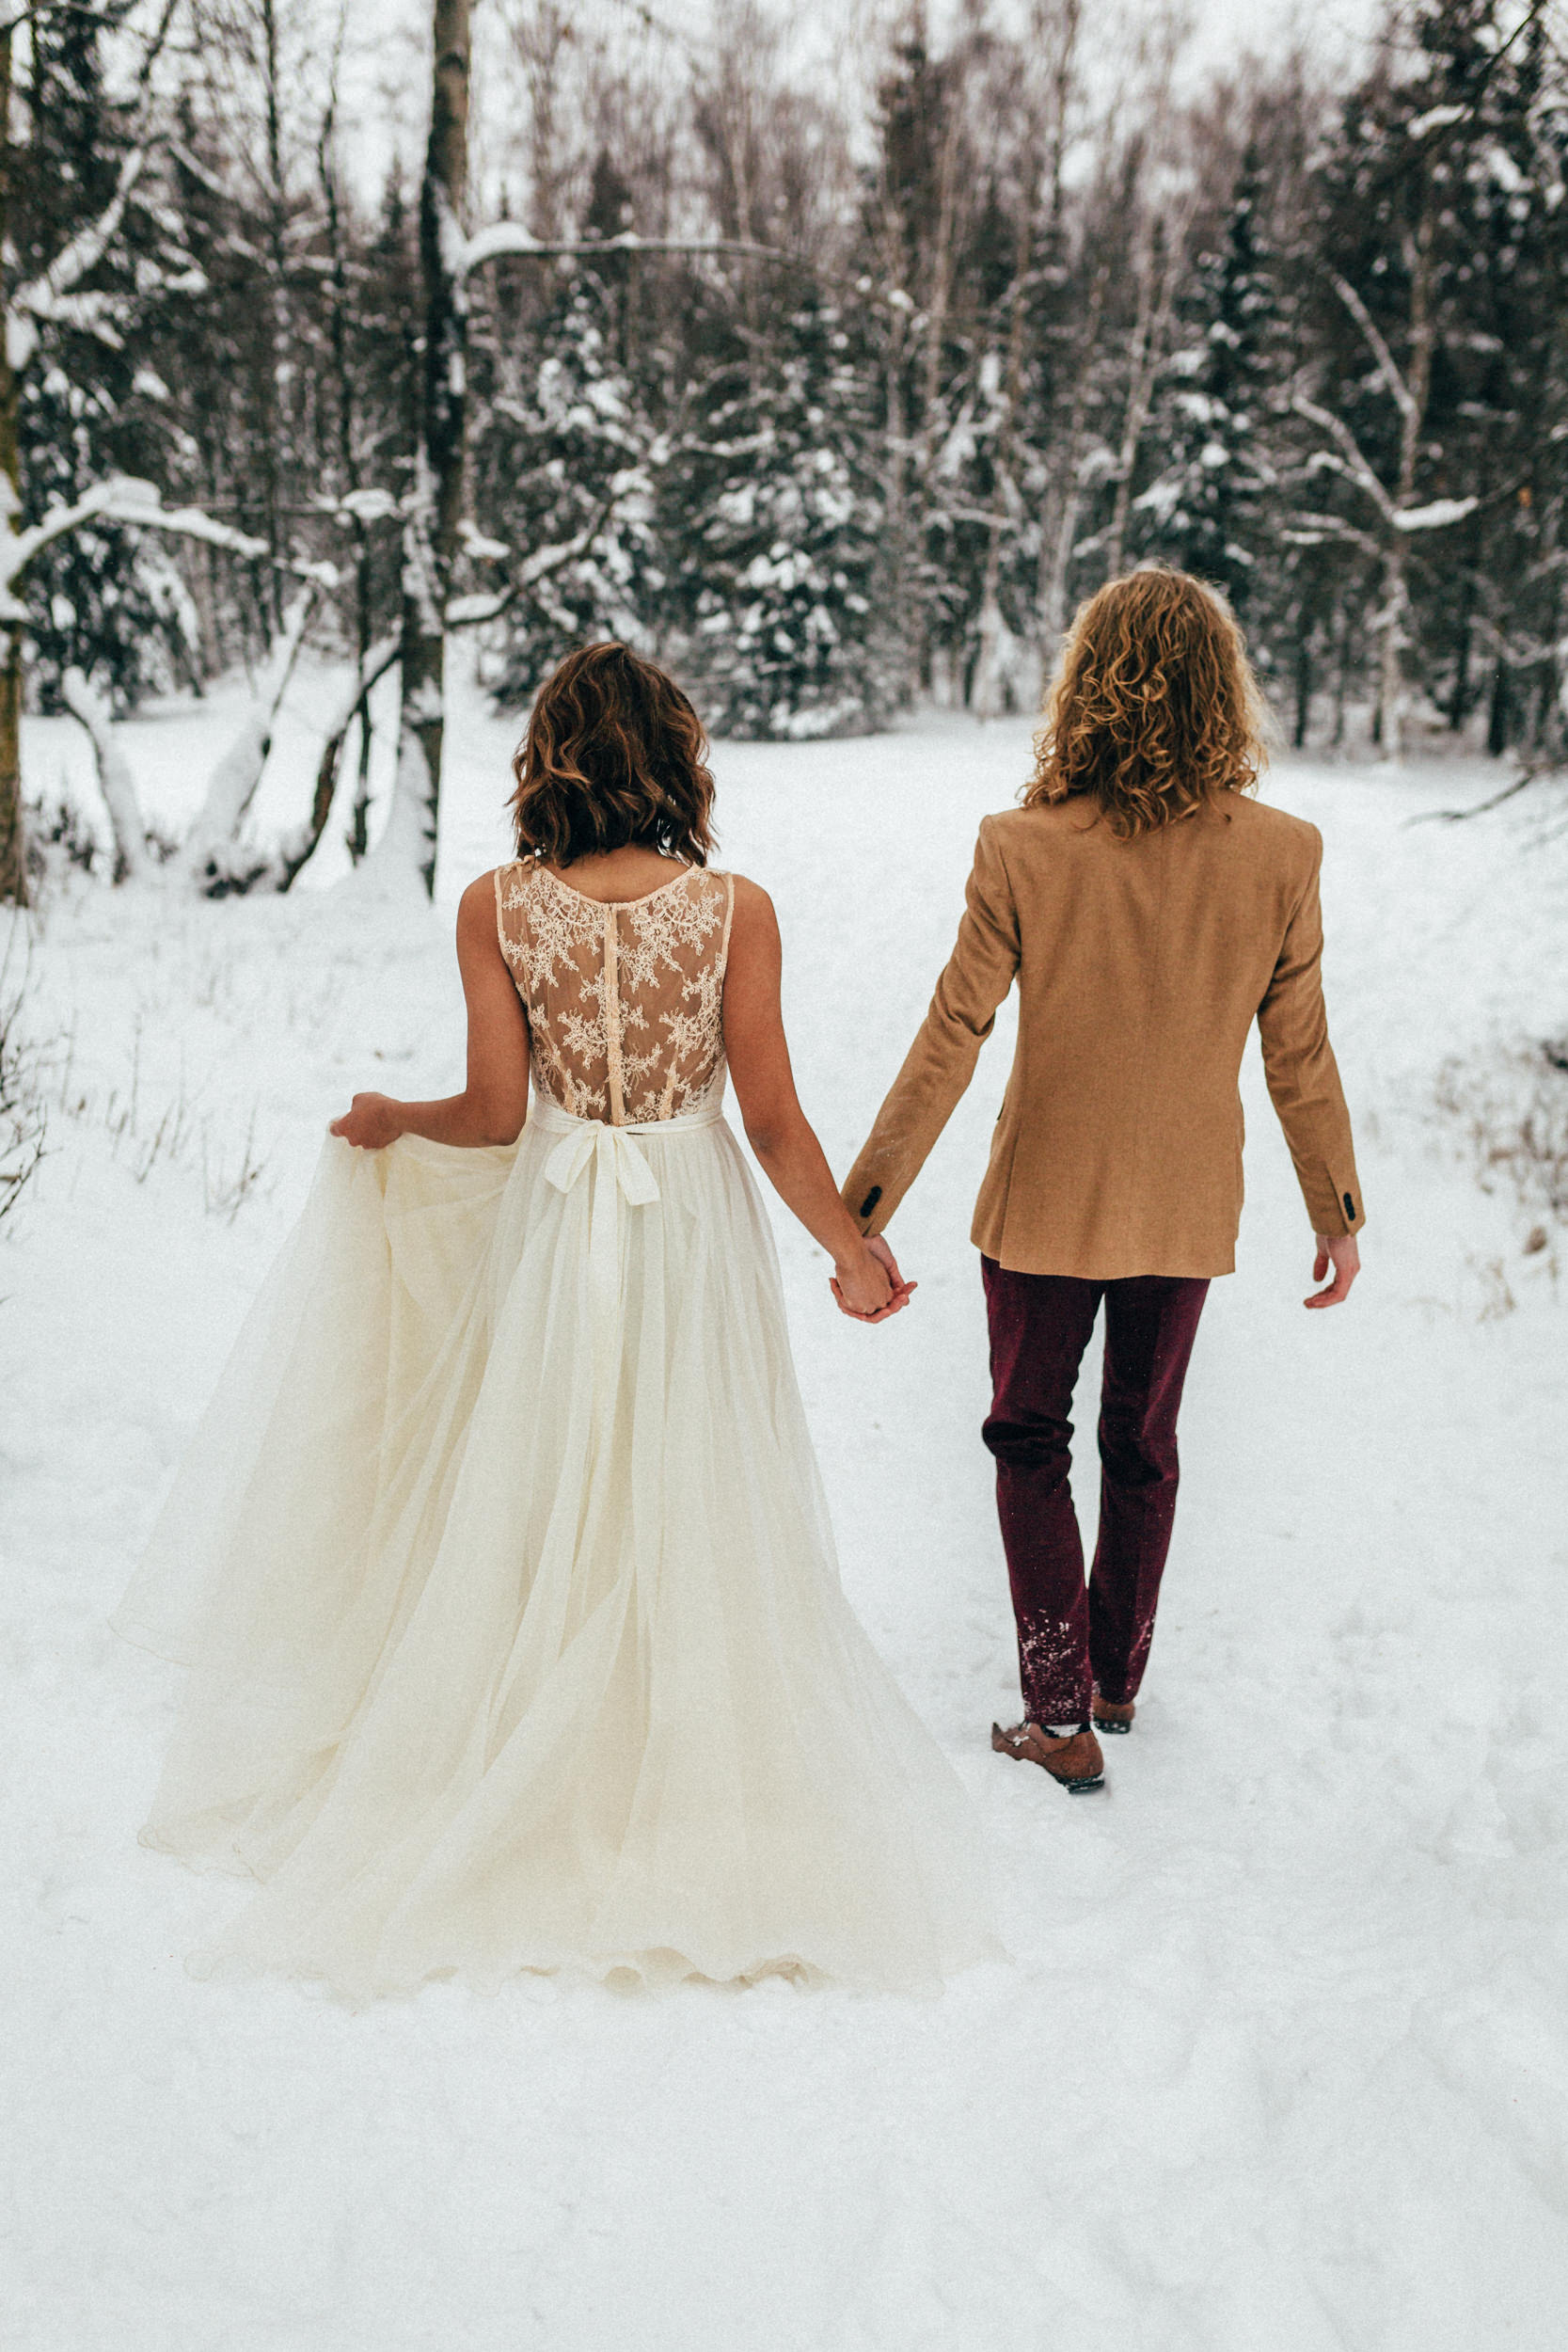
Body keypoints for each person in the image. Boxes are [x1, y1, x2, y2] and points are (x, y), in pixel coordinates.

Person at [114, 641, 997, 1999]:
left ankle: (524, 1749)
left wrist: (388, 1119)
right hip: (692, 1228)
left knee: (542, 1476)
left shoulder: (497, 908)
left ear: (551, 759)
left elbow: (489, 1115)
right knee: (697, 1480)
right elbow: (767, 1119)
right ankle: (690, 1775)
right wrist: (853, 1251)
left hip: (556, 1225)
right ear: (674, 758)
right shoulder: (737, 911)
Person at [838, 568, 1363, 1795]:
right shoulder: (1279, 854)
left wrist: (860, 1210)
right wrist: (1336, 1212)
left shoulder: (1024, 847)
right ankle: (1113, 1677)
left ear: (1089, 690)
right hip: (1184, 1204)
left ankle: (1060, 1710)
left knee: (1030, 1434)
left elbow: (950, 1036)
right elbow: (1302, 1053)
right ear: (1222, 692)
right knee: (1143, 1438)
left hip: (1045, 1207)